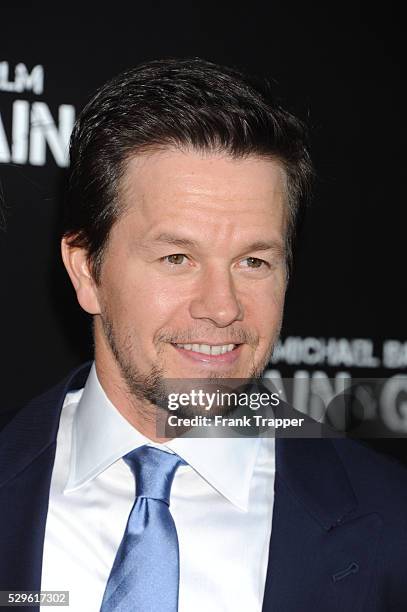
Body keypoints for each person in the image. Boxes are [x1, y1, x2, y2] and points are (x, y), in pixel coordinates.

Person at [0, 58, 406, 612]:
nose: (222, 308)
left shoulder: (391, 526)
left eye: (254, 262)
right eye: (177, 258)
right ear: (86, 271)